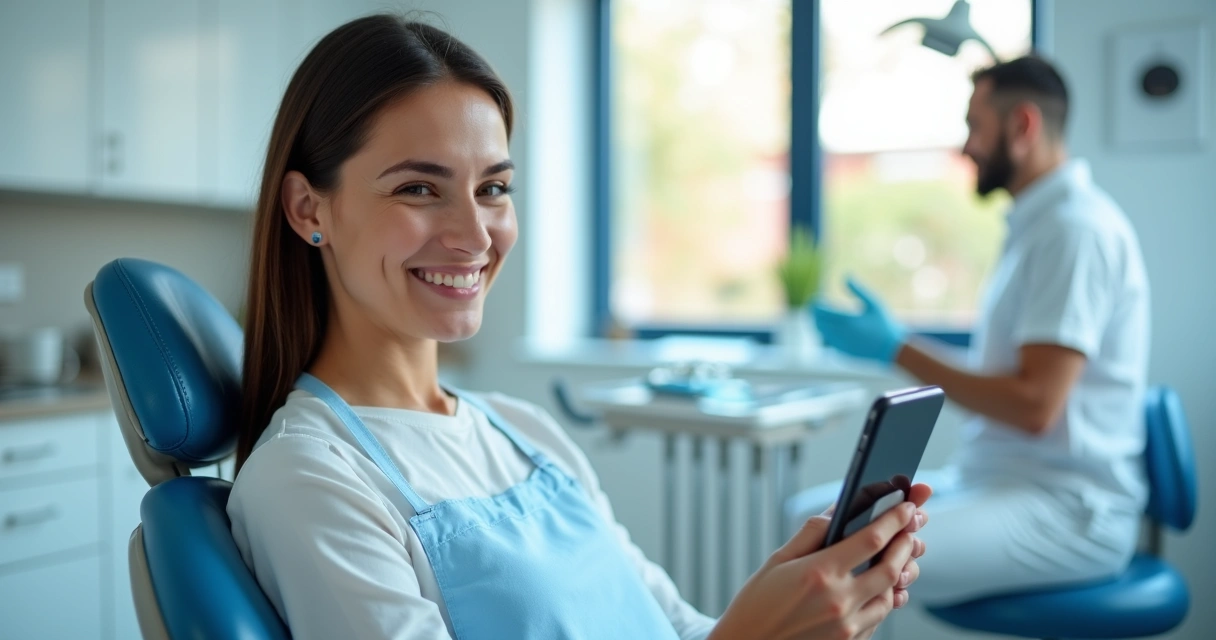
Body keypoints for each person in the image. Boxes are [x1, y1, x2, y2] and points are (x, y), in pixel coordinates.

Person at [226, 14, 933, 640]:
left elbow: (671, 626)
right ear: (308, 209)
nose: (475, 235)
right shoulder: (306, 479)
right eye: (418, 188)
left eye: (493, 188)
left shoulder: (526, 432)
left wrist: (797, 613)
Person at [786, 55, 1151, 606]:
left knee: (836, 550)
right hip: (998, 481)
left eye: (974, 126)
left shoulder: (1074, 231)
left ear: (1022, 125)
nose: (966, 147)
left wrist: (896, 348)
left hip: (1068, 509)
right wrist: (896, 346)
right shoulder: (1038, 227)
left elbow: (1034, 405)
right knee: (807, 520)